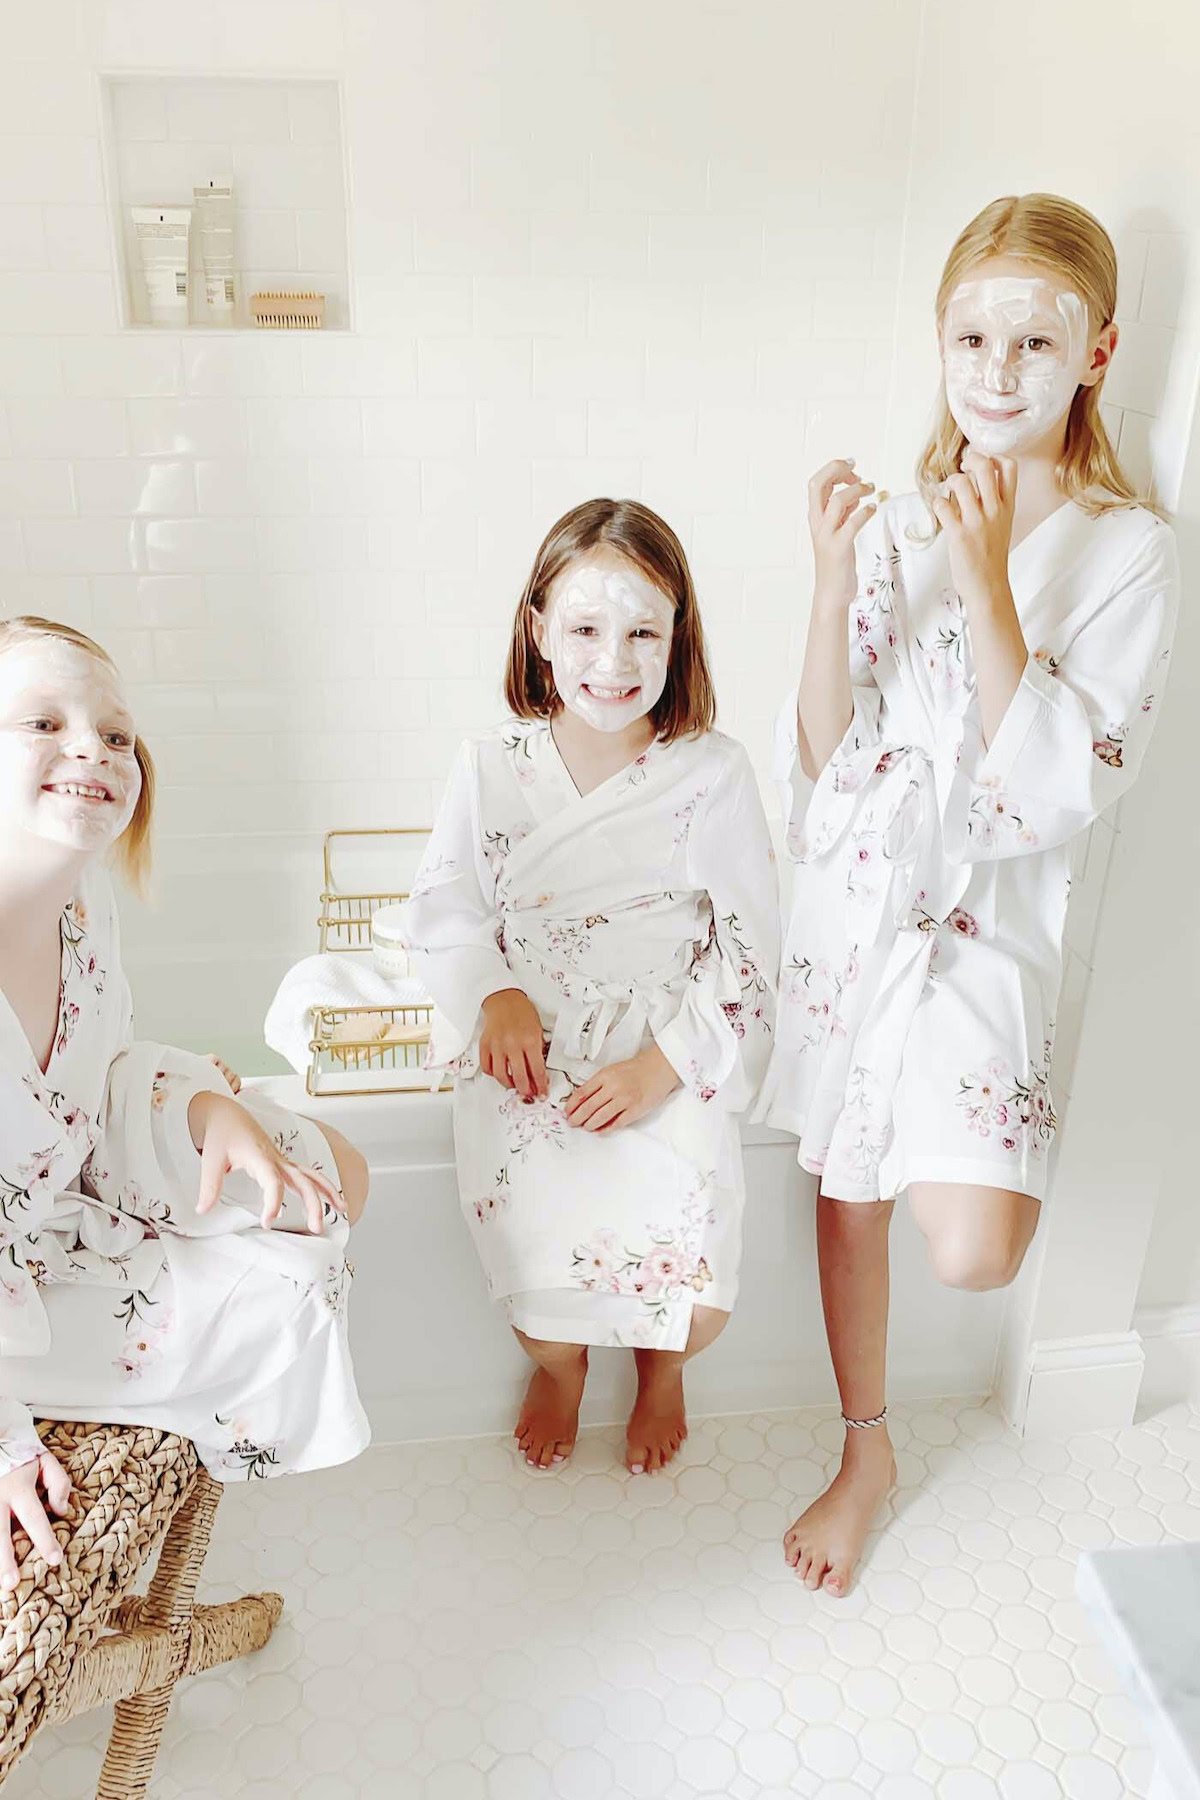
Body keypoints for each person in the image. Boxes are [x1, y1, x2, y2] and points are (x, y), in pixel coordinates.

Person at [757, 193, 1178, 1594]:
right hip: (861, 910)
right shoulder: (896, 527)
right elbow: (824, 765)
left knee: (979, 1250)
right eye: (971, 337)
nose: (998, 371)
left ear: (1099, 353)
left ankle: (901, 1398)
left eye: (1035, 342)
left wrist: (992, 581)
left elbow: (1058, 784)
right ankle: (864, 1448)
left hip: (988, 925)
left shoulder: (1130, 550)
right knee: (849, 1183)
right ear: (940, 346)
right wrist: (830, 589)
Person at [403, 499, 779, 1473]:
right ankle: (561, 1368)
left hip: (667, 1040)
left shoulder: (713, 775)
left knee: (694, 1304)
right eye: (584, 629)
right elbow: (444, 905)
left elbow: (749, 949)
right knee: (536, 1265)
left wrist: (666, 1065)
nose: (612, 661)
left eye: (642, 631)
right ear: (537, 630)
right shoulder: (491, 766)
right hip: (534, 1044)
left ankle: (663, 1369)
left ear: (678, 637)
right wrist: (491, 993)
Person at [0, 617, 370, 1591]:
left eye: (116, 734)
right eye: (42, 722)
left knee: (323, 1172)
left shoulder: (83, 911)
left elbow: (106, 1064)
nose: (92, 747)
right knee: (285, 1293)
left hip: (52, 1215)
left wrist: (214, 1116)